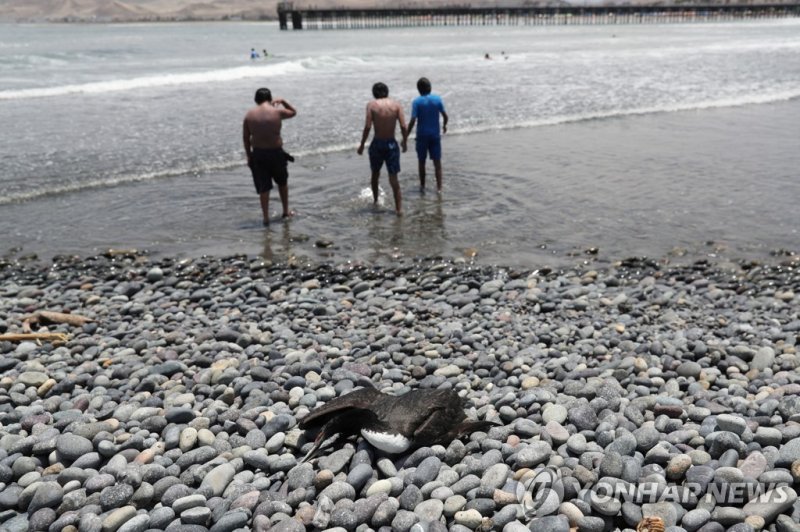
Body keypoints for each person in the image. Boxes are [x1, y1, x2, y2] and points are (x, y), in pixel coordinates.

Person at [243, 88, 297, 226]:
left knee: (264, 188)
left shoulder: (249, 115)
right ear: (270, 98)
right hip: (276, 153)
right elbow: (294, 112)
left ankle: (266, 218)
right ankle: (285, 211)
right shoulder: (277, 112)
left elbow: (246, 138)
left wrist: (249, 156)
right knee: (282, 183)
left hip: (259, 155)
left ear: (256, 100)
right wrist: (283, 101)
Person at [357, 82, 408, 216]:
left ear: (374, 93)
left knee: (375, 174)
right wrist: (405, 142)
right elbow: (403, 126)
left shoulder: (371, 105)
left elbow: (367, 126)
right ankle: (399, 209)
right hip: (391, 144)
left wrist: (362, 144)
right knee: (394, 179)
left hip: (377, 144)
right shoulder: (396, 105)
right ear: (387, 91)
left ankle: (375, 201)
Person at [406, 77, 448, 193]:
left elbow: (413, 120)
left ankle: (423, 186)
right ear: (430, 87)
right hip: (435, 136)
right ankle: (439, 188)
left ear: (418, 90)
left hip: (422, 136)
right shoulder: (437, 99)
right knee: (437, 163)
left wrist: (405, 136)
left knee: (421, 162)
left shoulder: (416, 102)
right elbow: (445, 116)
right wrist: (444, 126)